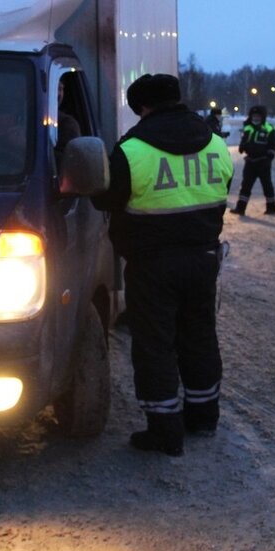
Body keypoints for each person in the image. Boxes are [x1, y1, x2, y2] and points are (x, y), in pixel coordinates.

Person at [92, 74, 233, 456]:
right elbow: (222, 188)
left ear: (141, 106)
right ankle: (204, 416)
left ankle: (164, 430)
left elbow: (104, 199)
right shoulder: (216, 143)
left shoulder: (132, 150)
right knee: (199, 335)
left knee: (155, 343)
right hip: (203, 258)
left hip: (151, 264)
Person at [231, 105, 275, 215]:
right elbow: (244, 140)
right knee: (245, 186)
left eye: (258, 116)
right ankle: (240, 208)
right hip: (250, 161)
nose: (255, 118)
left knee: (267, 186)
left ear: (263, 117)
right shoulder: (248, 128)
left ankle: (271, 208)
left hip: (263, 162)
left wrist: (269, 157)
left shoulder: (269, 128)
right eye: (253, 116)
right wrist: (242, 146)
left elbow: (273, 145)